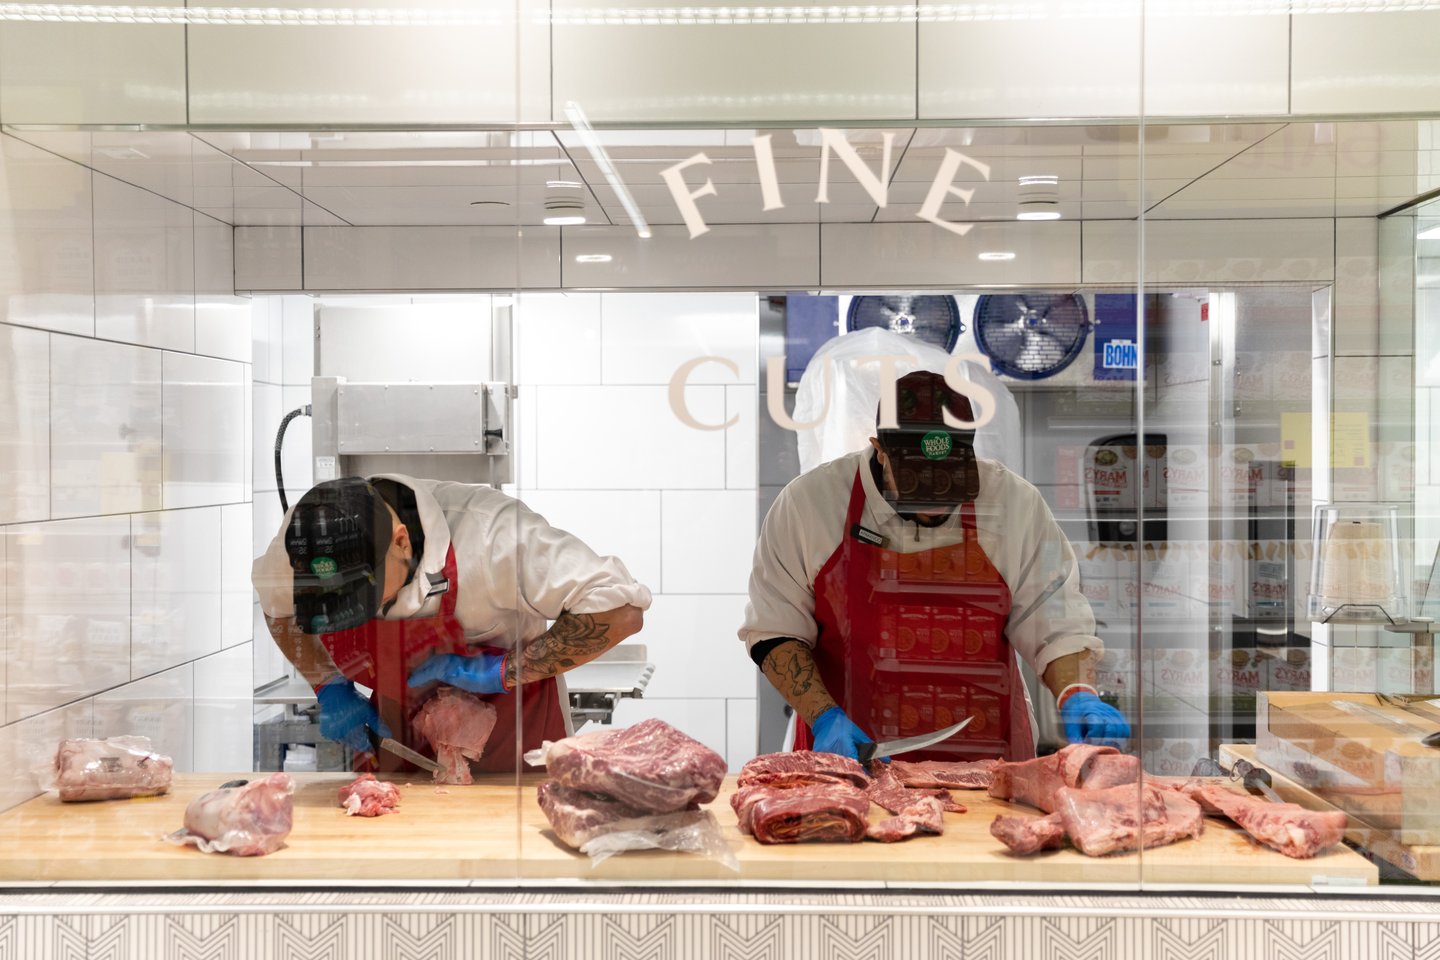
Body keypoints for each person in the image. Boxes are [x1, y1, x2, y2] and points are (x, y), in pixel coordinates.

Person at [740, 370, 1128, 762]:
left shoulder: (1014, 504)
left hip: (986, 761)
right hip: (852, 757)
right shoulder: (810, 505)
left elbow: (1054, 618)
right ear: (880, 450)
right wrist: (824, 718)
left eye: (951, 486)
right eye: (917, 488)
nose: (935, 506)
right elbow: (775, 629)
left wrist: (1076, 693)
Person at [253, 474, 651, 772]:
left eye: (365, 598)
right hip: (395, 750)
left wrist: (502, 672)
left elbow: (619, 611)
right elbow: (278, 611)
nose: (368, 615)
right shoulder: (306, 540)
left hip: (513, 751)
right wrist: (328, 685)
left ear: (401, 541)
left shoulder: (494, 534)